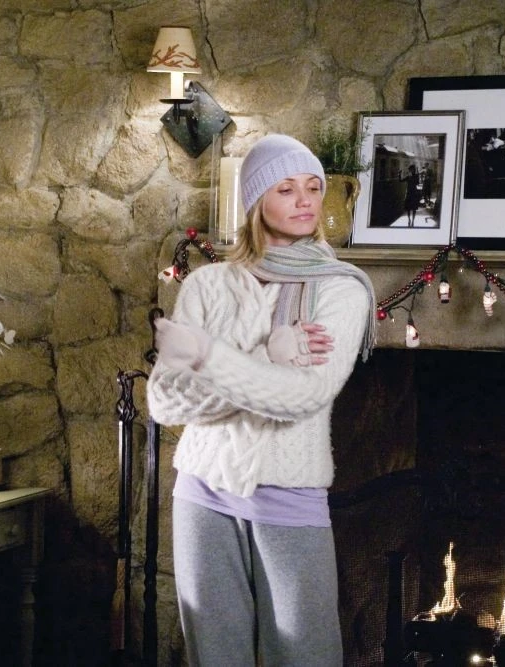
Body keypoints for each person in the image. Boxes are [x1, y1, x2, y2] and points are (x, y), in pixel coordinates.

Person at [147, 133, 376, 666]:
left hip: (289, 496)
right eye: (286, 189)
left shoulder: (340, 289)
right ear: (256, 200)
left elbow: (303, 396)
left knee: (307, 656)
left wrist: (205, 356)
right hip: (203, 491)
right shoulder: (206, 285)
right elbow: (164, 401)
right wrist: (267, 355)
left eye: (313, 188)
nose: (305, 201)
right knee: (214, 657)